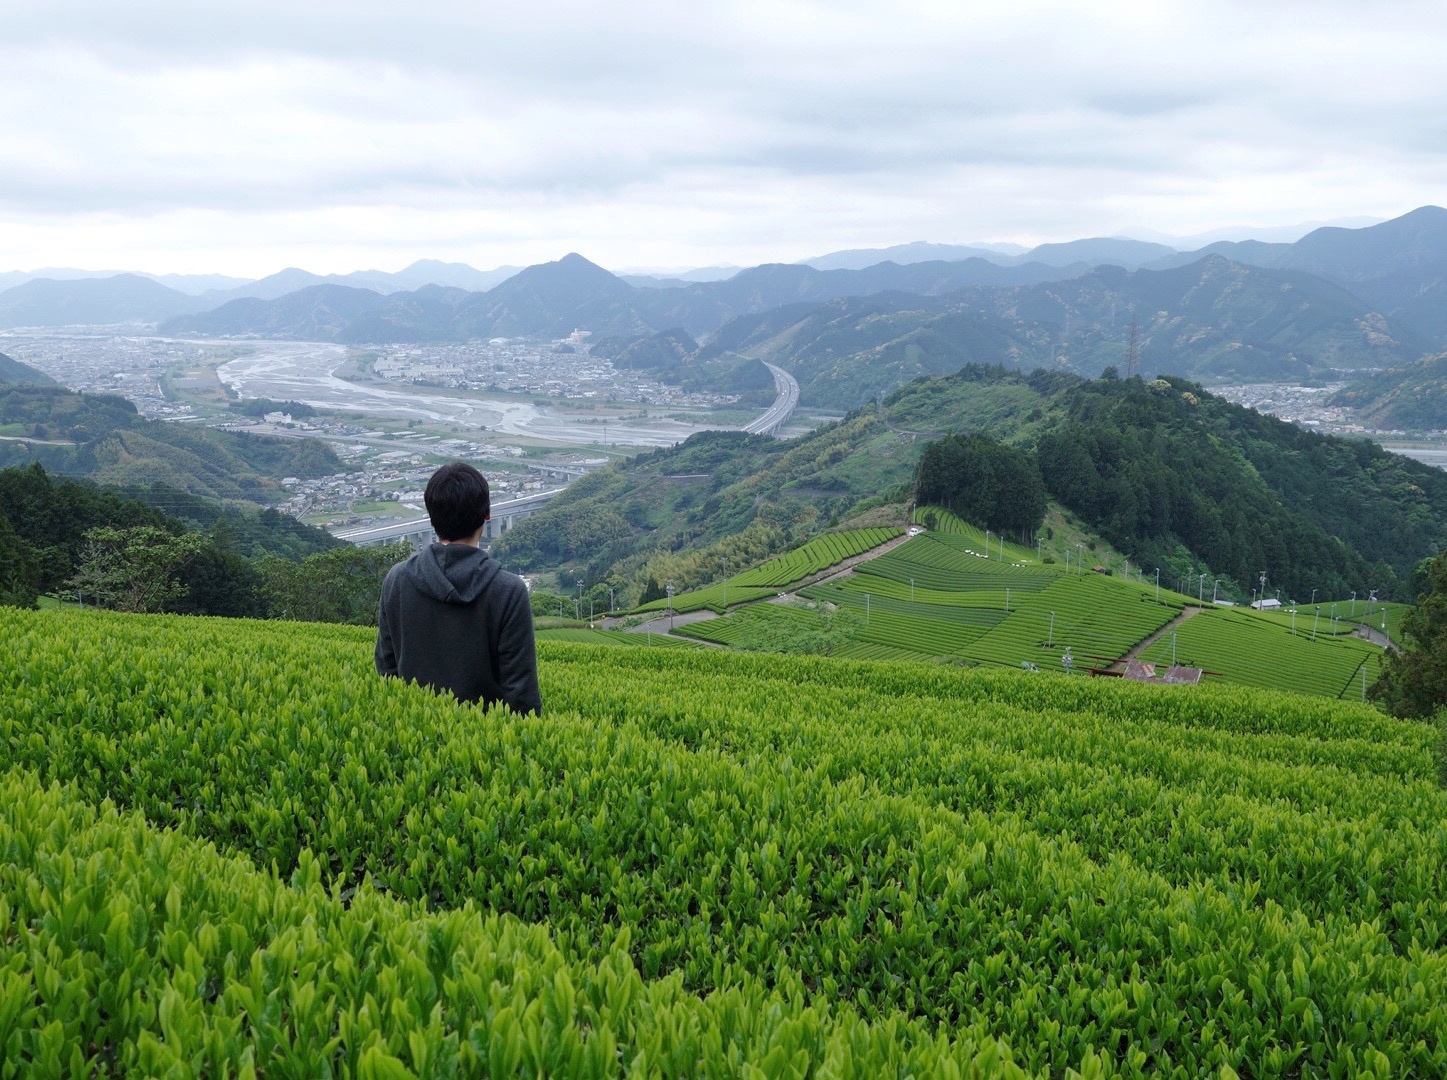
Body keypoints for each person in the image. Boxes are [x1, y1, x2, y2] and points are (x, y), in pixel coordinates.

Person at [375, 461, 543, 714]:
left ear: (431, 518)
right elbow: (521, 693)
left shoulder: (398, 579)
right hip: (484, 744)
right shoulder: (508, 590)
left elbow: (386, 669)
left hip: (413, 735)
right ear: (487, 515)